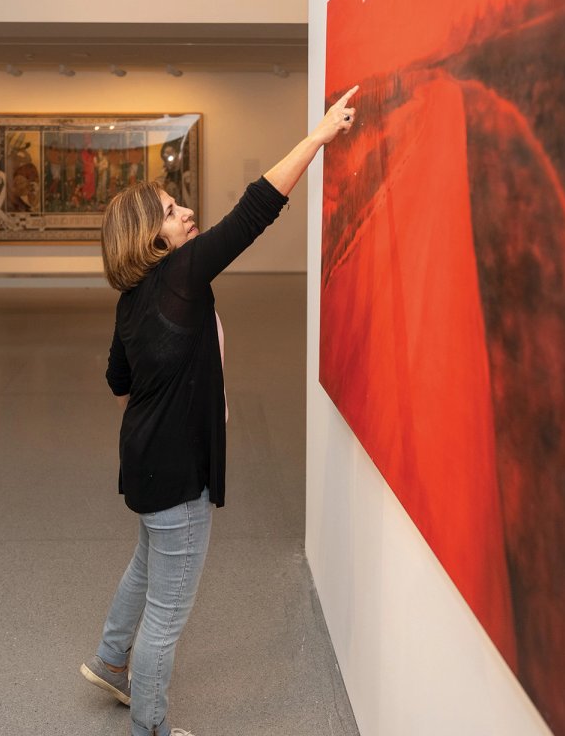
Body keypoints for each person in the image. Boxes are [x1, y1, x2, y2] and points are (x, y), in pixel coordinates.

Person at [80, 85, 359, 736]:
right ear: (150, 235)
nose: (187, 213)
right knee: (167, 615)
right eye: (172, 210)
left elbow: (119, 381)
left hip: (144, 464)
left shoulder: (132, 298)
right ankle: (150, 725)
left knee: (146, 563)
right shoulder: (181, 276)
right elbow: (255, 210)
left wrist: (162, 396)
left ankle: (109, 661)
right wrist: (318, 137)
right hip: (179, 475)